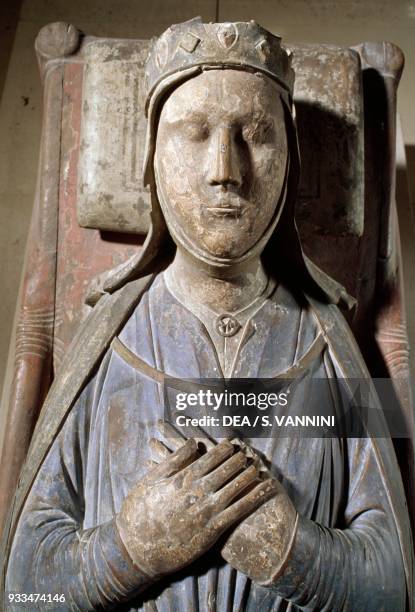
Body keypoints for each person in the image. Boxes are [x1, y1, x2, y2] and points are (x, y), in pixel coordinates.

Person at [3, 18, 412, 611]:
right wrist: (130, 548)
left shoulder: (334, 340)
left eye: (256, 132)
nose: (225, 169)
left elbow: (396, 583)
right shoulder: (108, 333)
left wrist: (288, 551)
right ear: (151, 158)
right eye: (194, 132)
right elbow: (22, 587)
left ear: (292, 161)